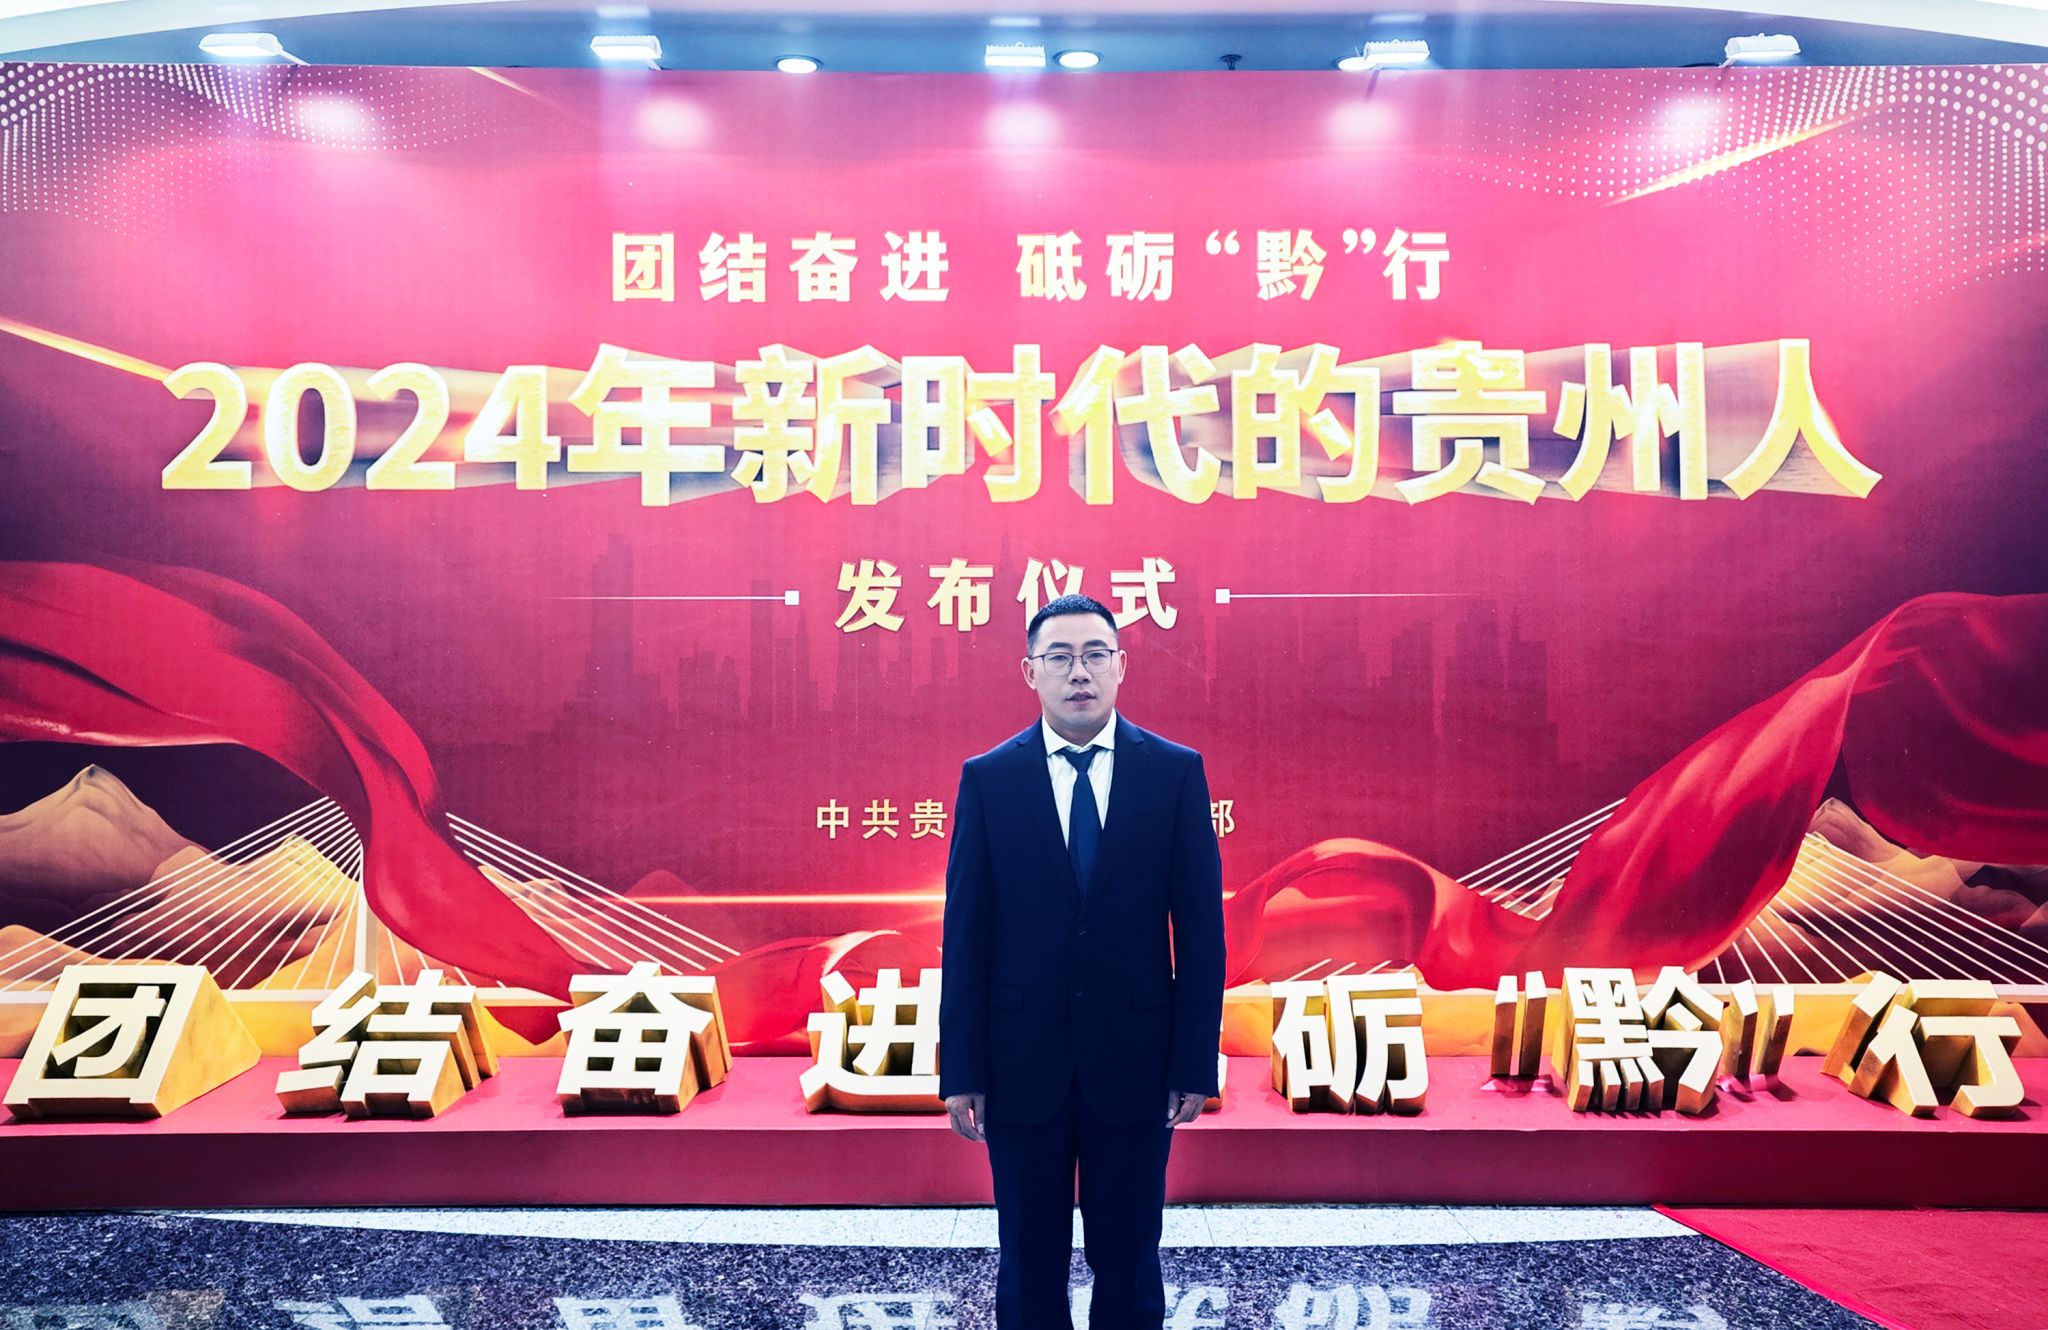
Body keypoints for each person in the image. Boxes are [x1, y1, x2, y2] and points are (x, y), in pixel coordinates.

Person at [938, 592, 1226, 1329]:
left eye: (1095, 654)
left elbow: (1201, 933)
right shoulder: (990, 779)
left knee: (1128, 1254)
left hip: (1136, 1059)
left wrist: (1195, 1061)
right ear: (1029, 671)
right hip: (1019, 1062)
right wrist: (962, 1069)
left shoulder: (1173, 773)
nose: (1079, 673)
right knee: (1027, 1256)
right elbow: (966, 933)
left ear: (1121, 666)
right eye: (1060, 657)